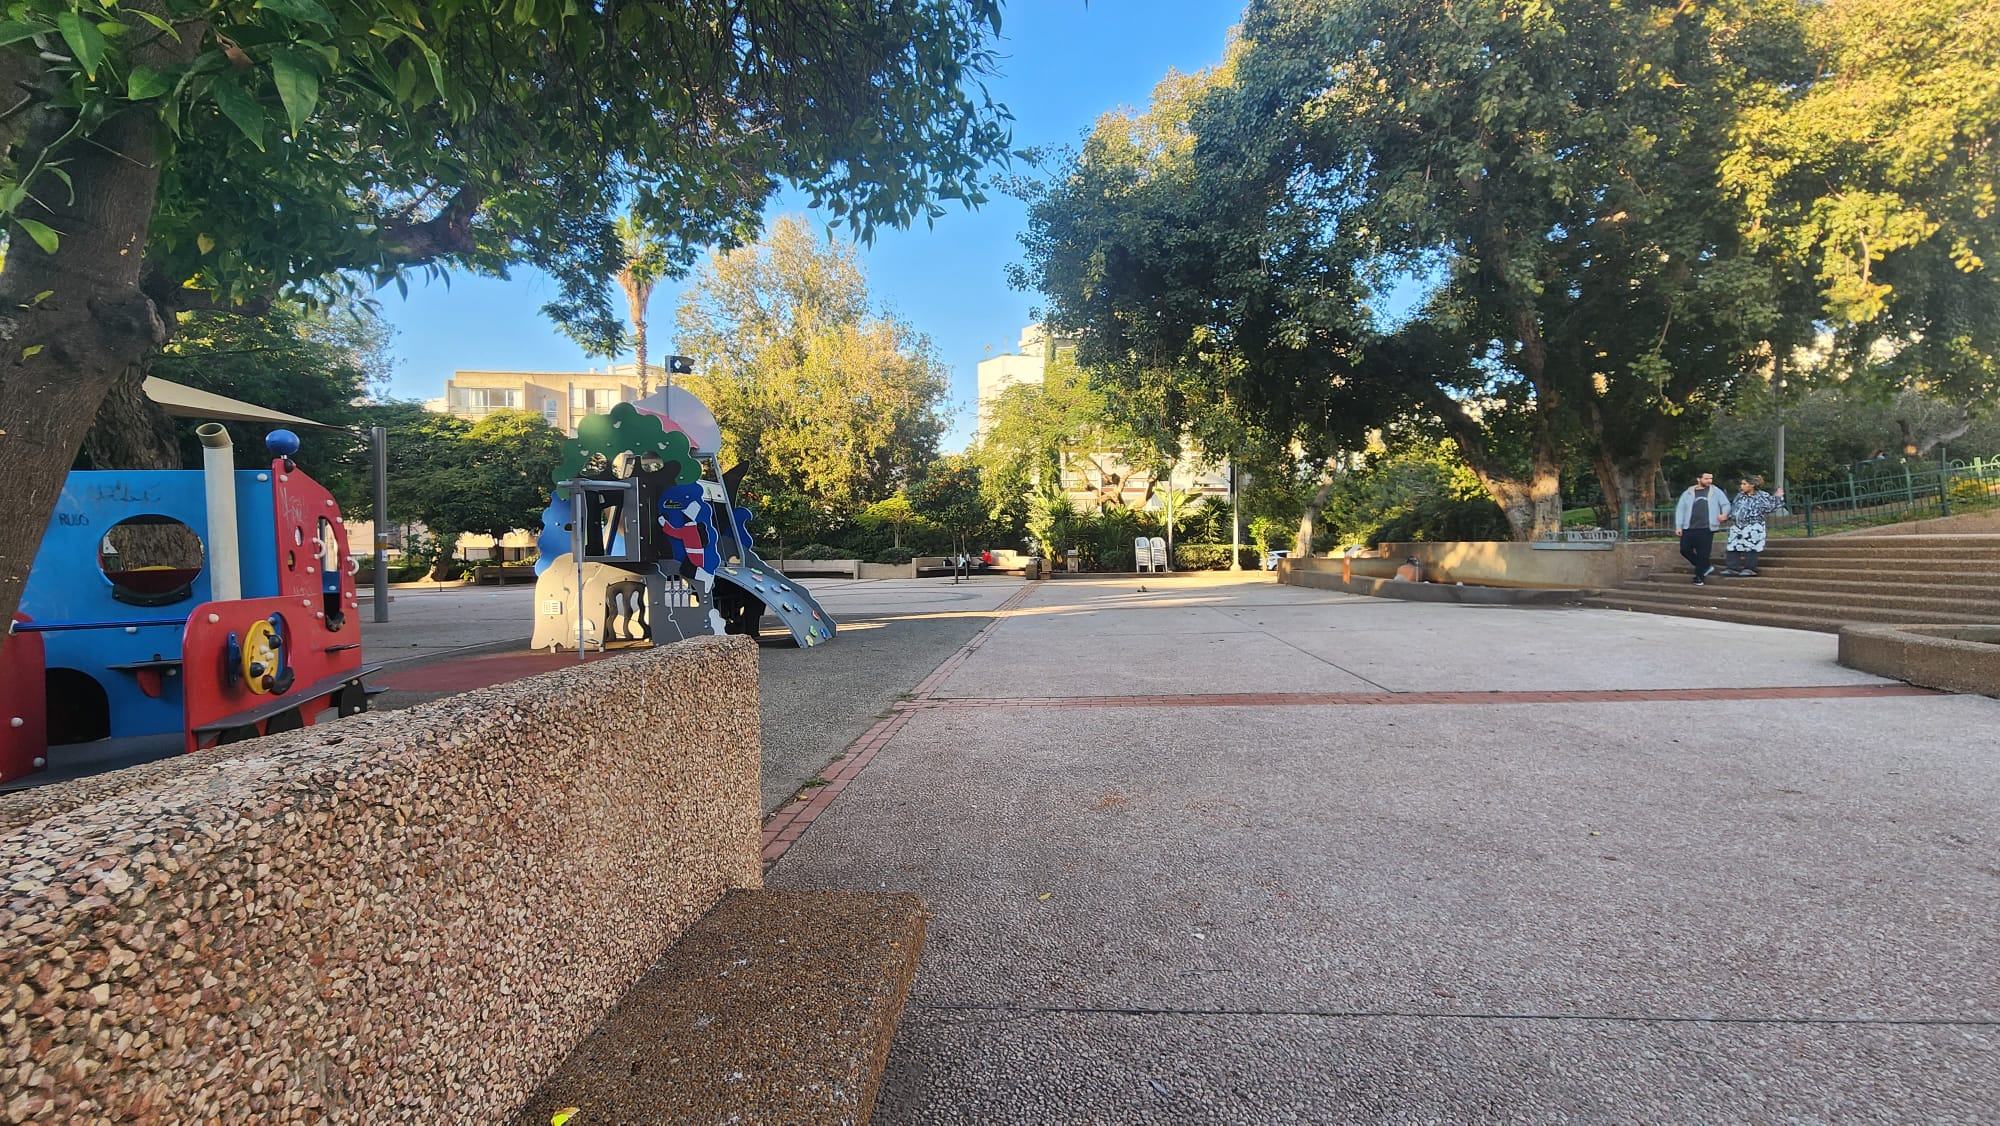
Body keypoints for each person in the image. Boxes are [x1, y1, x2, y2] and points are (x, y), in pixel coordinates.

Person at [1673, 471, 1731, 585]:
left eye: (1711, 479)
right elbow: (1681, 509)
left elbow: (1725, 504)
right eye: (1706, 479)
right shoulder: (1688, 492)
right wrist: (1679, 526)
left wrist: (1724, 514)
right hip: (1689, 527)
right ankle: (1705, 566)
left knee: (1703, 553)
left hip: (1706, 528)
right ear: (1699, 479)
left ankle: (1699, 577)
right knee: (1685, 550)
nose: (1709, 481)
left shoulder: (1716, 491)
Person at [1722, 476, 1784, 576]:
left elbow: (1771, 507)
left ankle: (1750, 568)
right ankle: (1732, 567)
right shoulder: (1740, 496)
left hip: (1753, 525)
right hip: (1737, 525)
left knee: (1751, 546)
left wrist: (1778, 497)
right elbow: (1735, 508)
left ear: (1752, 485)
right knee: (1733, 545)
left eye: (1744, 484)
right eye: (1741, 484)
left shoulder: (1761, 496)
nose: (1741, 486)